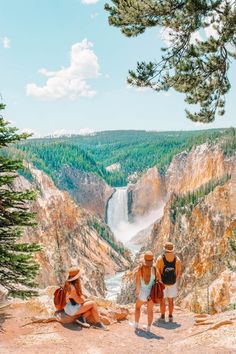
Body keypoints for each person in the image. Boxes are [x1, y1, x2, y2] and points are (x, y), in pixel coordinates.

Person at [134, 251, 161, 332]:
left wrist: (138, 291)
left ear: (145, 259)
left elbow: (138, 282)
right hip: (151, 293)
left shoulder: (140, 269)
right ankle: (148, 328)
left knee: (137, 307)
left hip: (142, 292)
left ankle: (136, 325)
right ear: (152, 260)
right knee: (150, 311)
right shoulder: (154, 269)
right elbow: (159, 279)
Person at [156, 242, 181, 323]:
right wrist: (174, 281)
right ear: (172, 249)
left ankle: (162, 317)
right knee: (171, 300)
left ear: (165, 249)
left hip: (163, 282)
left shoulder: (160, 258)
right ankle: (170, 317)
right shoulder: (177, 259)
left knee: (162, 300)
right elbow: (178, 272)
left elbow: (158, 271)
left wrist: (160, 281)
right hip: (172, 283)